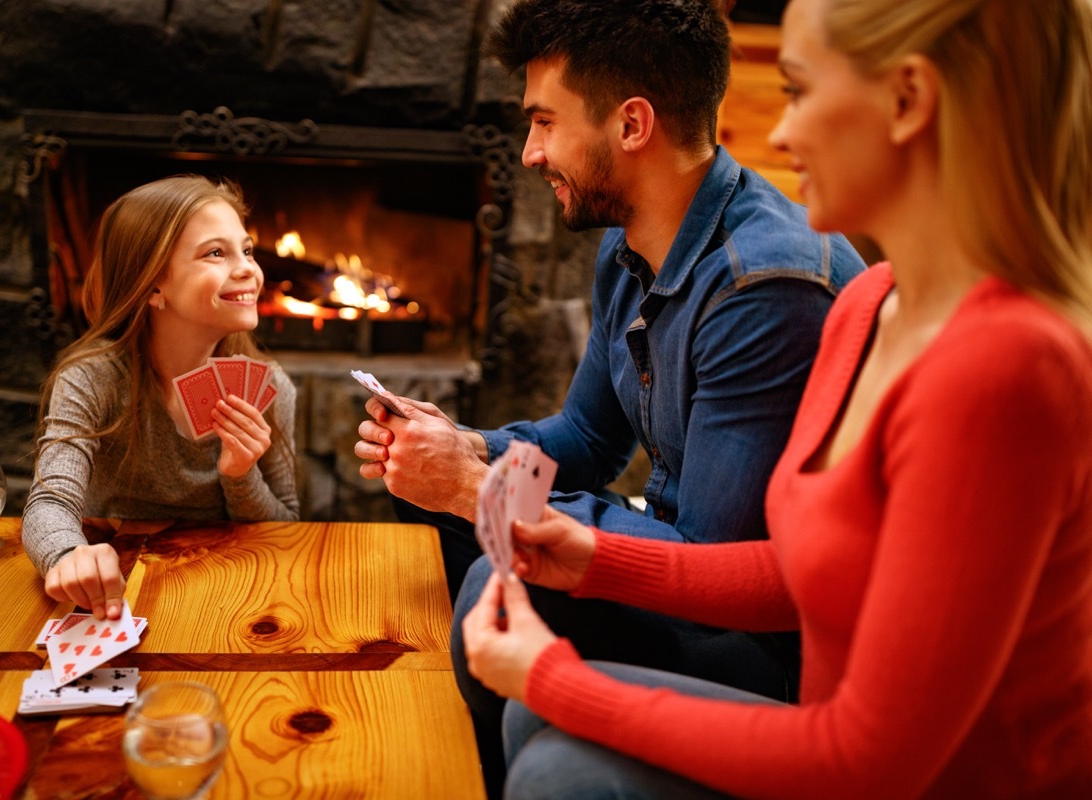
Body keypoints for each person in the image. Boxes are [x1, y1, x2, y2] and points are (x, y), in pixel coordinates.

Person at [462, 0, 1092, 796]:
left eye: (795, 89)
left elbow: (870, 763)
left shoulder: (1005, 367)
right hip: (830, 723)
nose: (782, 135)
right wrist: (595, 558)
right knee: (536, 718)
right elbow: (797, 573)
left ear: (907, 101)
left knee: (561, 763)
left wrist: (558, 679)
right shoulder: (874, 305)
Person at [354, 0, 865, 792]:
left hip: (763, 643)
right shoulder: (628, 248)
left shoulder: (765, 289)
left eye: (545, 123)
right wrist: (466, 452)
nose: (529, 153)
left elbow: (712, 571)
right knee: (432, 502)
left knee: (497, 573)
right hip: (670, 561)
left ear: (632, 125)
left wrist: (478, 490)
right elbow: (588, 442)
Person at [23, 175, 299, 621]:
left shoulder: (272, 386)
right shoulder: (92, 380)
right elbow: (50, 502)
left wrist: (240, 474)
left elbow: (286, 529)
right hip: (115, 598)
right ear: (153, 286)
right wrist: (65, 555)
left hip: (229, 597)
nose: (249, 267)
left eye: (246, 249)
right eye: (215, 253)